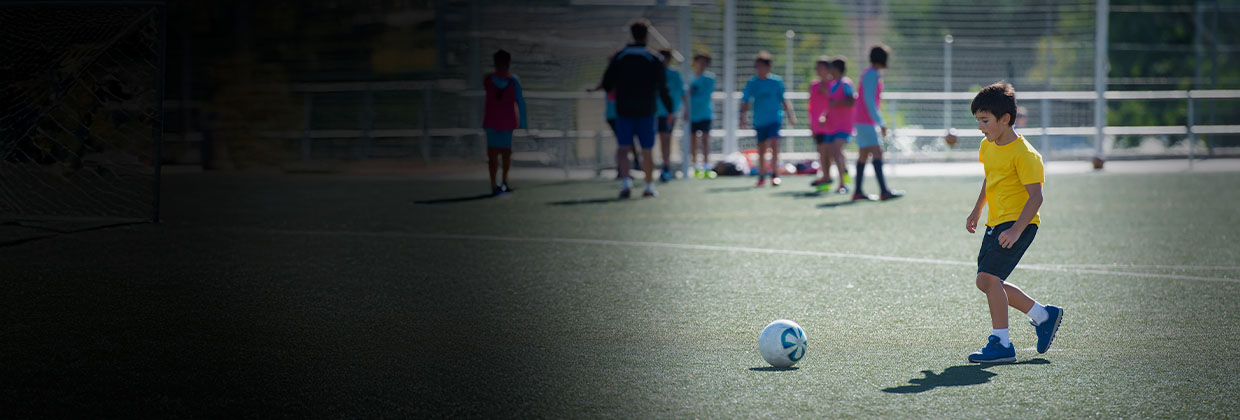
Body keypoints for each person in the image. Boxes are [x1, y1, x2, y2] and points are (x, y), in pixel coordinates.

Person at [965, 82, 1063, 363]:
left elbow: (1036, 198)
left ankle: (1002, 344)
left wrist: (1017, 229)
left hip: (1020, 224)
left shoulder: (1026, 154)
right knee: (987, 282)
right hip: (996, 223)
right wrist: (976, 210)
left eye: (985, 121)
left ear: (1005, 120)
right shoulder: (988, 146)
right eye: (978, 121)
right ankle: (1043, 316)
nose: (981, 128)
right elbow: (991, 179)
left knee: (988, 278)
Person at [602, 19, 673, 198]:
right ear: (646, 35)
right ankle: (648, 186)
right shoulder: (653, 58)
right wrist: (670, 109)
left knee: (623, 148)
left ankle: (626, 183)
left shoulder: (620, 57)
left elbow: (607, 83)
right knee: (647, 149)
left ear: (631, 34)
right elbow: (662, 88)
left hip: (624, 110)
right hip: (646, 111)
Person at [739, 50, 796, 187]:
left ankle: (775, 174)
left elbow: (783, 100)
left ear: (768, 67)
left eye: (762, 66)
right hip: (759, 120)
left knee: (775, 144)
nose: (759, 69)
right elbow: (745, 101)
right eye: (757, 66)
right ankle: (762, 175)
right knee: (762, 148)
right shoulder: (753, 82)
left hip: (774, 119)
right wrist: (743, 117)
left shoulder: (776, 82)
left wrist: (790, 115)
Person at [852, 45, 902, 201]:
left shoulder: (869, 73)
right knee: (877, 153)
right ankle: (883, 191)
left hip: (862, 119)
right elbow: (869, 100)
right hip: (866, 120)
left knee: (863, 154)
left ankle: (858, 191)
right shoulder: (872, 74)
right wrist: (880, 122)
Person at [482, 49, 527, 195]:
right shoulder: (489, 80)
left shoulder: (513, 81)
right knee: (493, 155)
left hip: (506, 123)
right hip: (492, 122)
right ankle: (494, 184)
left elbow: (520, 102)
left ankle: (504, 182)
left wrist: (524, 123)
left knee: (506, 153)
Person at [808, 56, 854, 194]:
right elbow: (831, 104)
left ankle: (842, 183)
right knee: (828, 152)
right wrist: (824, 115)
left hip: (843, 125)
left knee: (836, 150)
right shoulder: (833, 85)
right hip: (832, 125)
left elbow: (851, 101)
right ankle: (830, 179)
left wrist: (838, 103)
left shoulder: (845, 83)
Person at [656, 49, 688, 182]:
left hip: (669, 114)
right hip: (652, 113)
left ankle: (666, 167)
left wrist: (686, 110)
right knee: (656, 141)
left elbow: (683, 92)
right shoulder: (655, 74)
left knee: (666, 139)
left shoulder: (674, 75)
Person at [687, 53, 716, 179]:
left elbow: (705, 96)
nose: (702, 65)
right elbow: (685, 95)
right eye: (700, 62)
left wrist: (691, 97)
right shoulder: (689, 77)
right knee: (692, 140)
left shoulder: (710, 78)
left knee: (705, 140)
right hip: (692, 115)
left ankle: (706, 166)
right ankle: (694, 167)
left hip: (705, 113)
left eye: (705, 63)